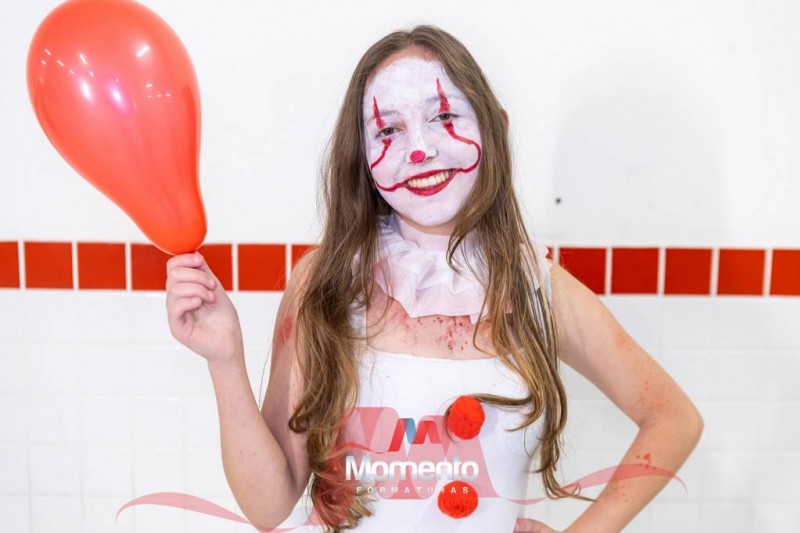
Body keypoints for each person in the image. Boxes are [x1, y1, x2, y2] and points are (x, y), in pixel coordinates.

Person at [165, 25, 703, 533]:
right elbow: (268, 504)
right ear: (362, 154)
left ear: (493, 127)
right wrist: (224, 360)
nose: (419, 149)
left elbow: (672, 418)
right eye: (389, 129)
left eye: (444, 116)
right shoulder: (326, 283)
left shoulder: (537, 289)